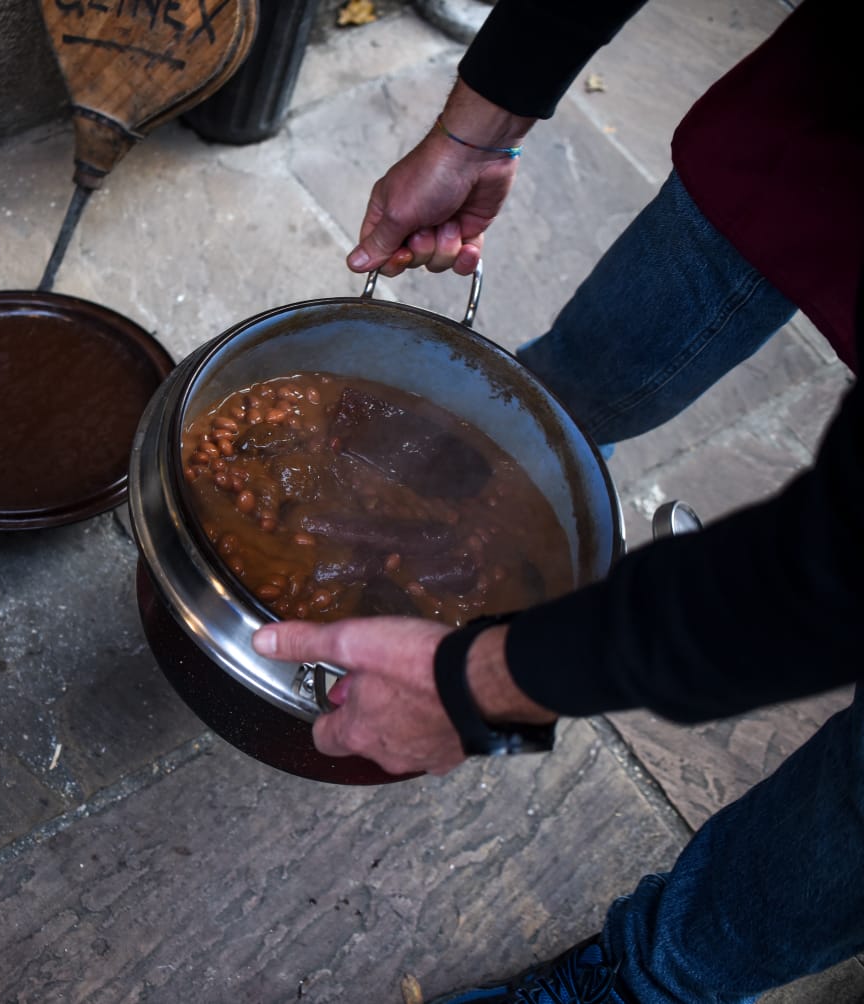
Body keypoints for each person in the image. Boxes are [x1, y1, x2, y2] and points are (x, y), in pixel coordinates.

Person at [250, 1, 863, 1001]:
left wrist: (487, 687)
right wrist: (474, 130)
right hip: (829, 104)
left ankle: (653, 978)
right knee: (563, 393)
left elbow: (816, 581)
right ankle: (506, 489)